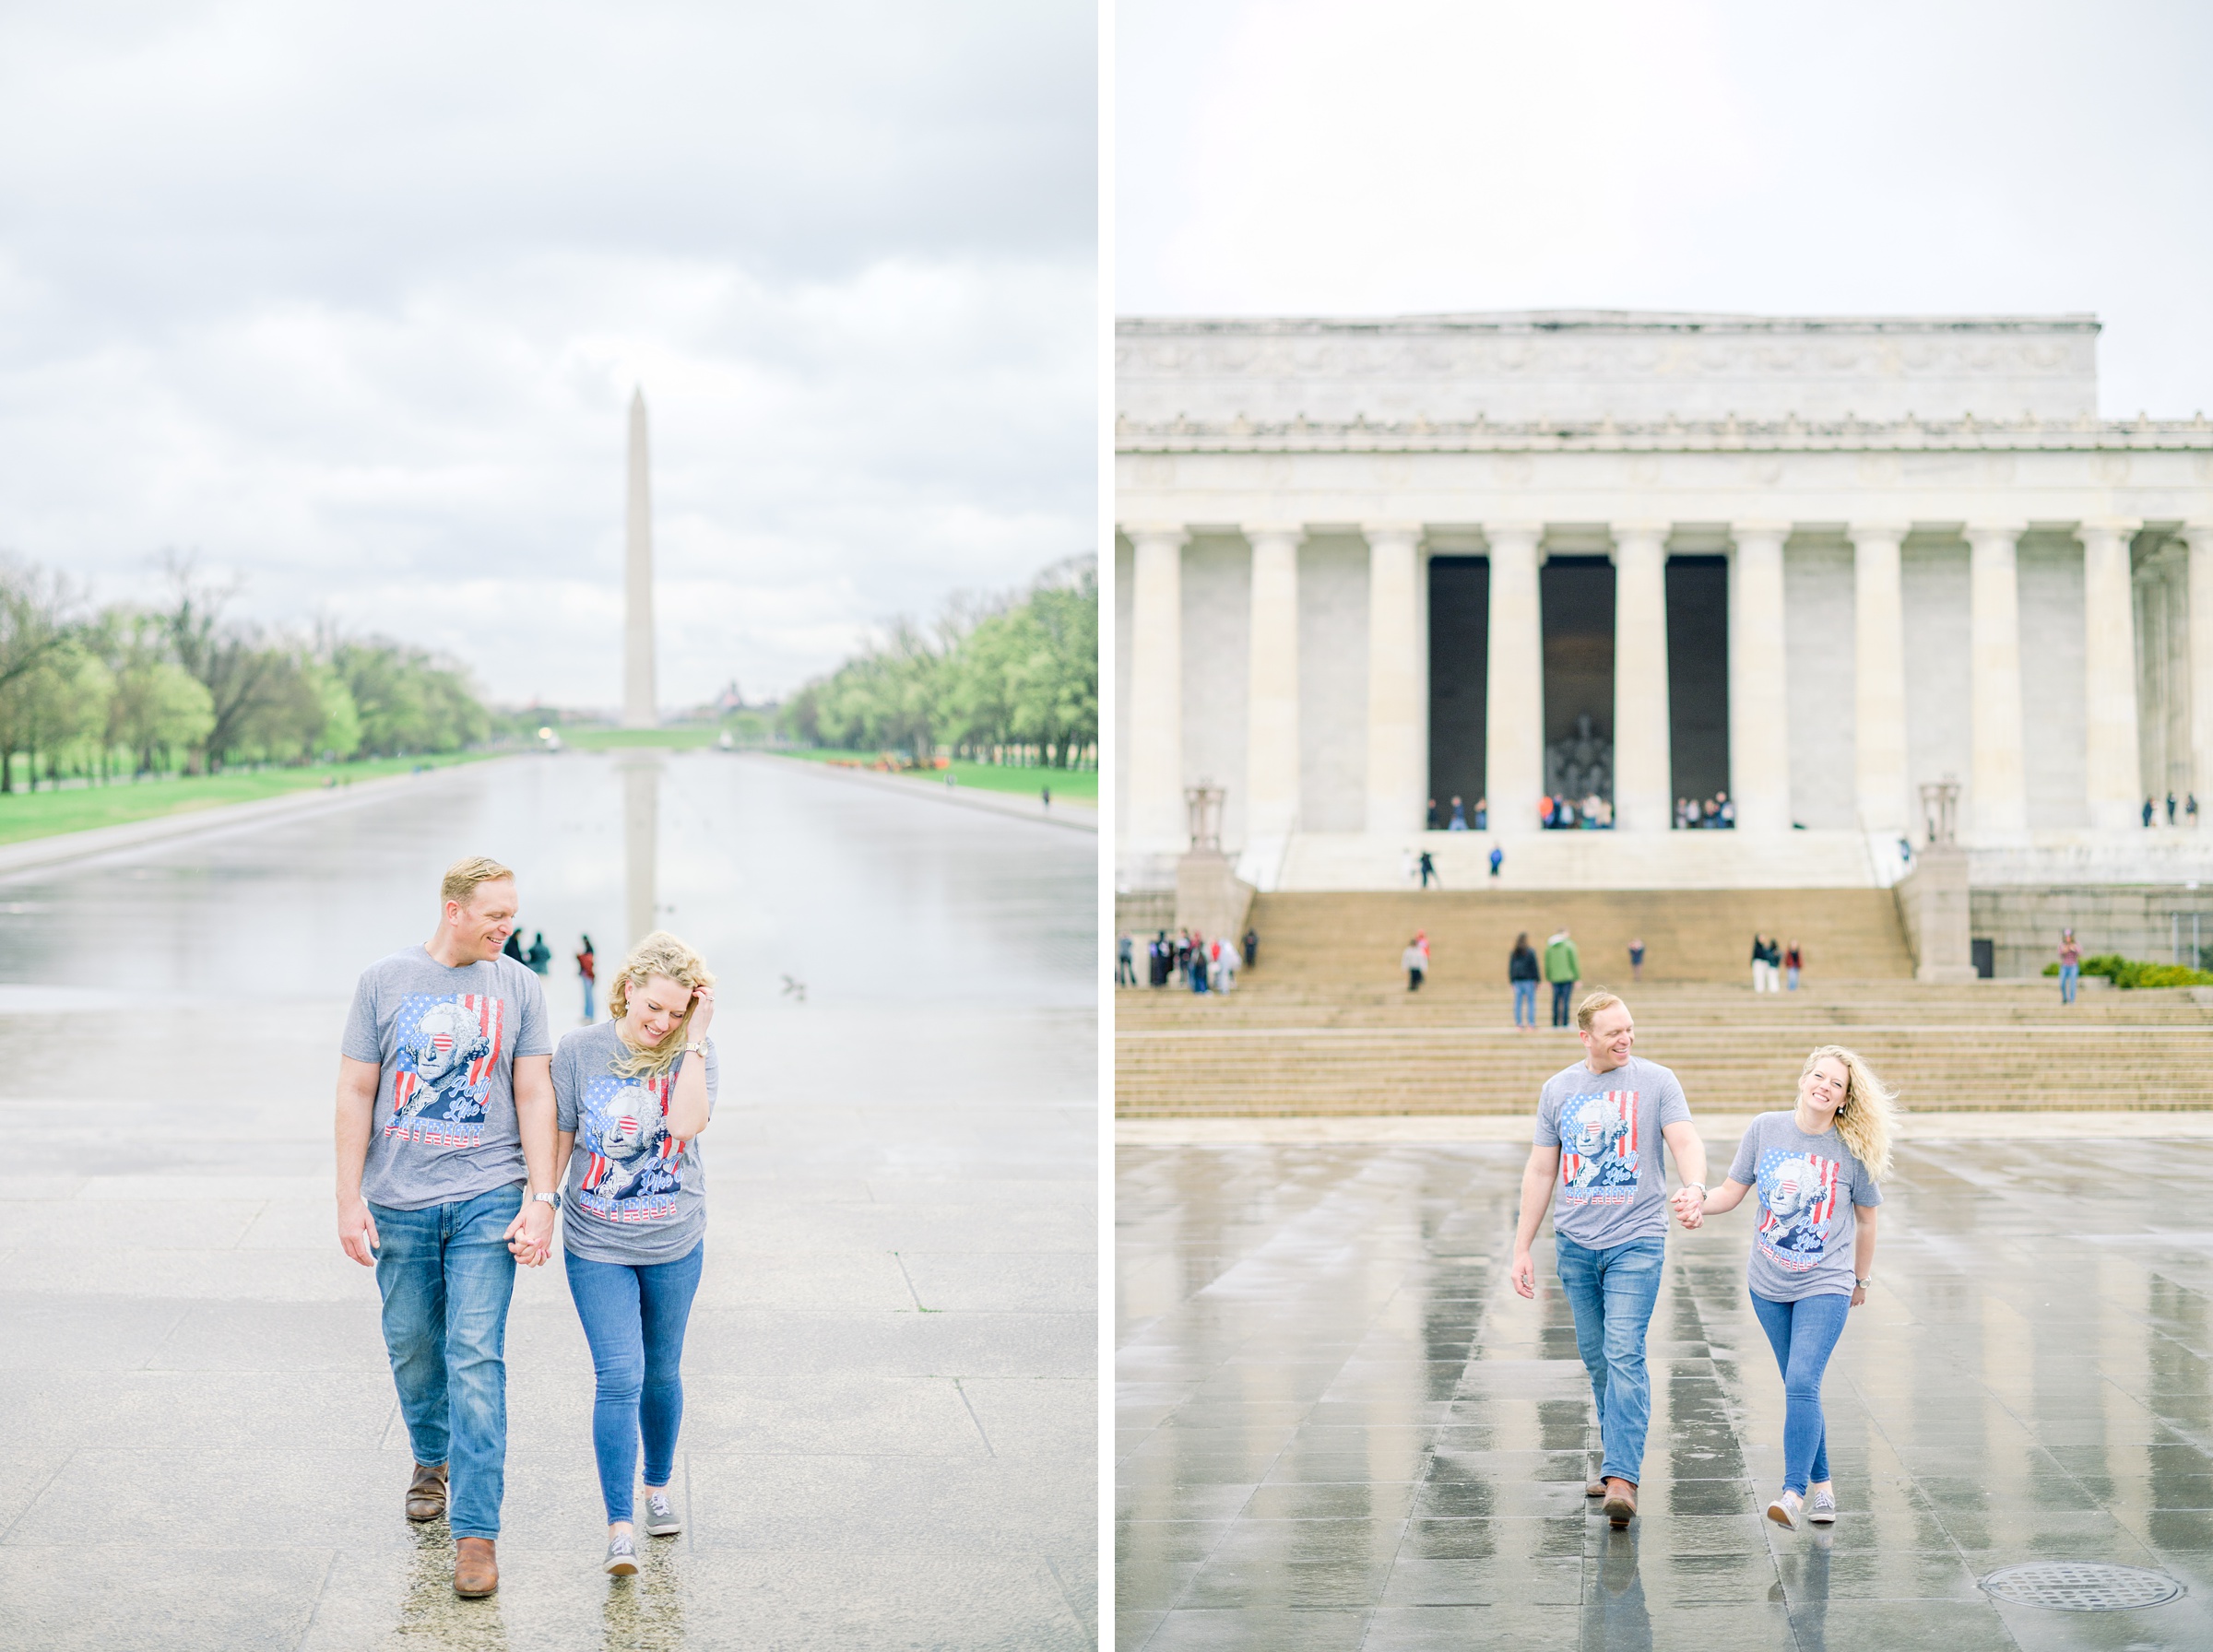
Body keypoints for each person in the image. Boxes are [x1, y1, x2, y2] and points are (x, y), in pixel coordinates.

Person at [336, 856, 557, 1599]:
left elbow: (533, 1093)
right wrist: (347, 1197)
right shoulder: (383, 981)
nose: (508, 928)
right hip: (397, 1197)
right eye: (496, 915)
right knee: (412, 1347)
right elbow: (355, 1090)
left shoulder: (520, 985)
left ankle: (476, 1535)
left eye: (513, 915)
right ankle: (432, 1455)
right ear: (453, 909)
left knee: (474, 1355)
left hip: (487, 1197)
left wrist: (541, 1198)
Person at [553, 931, 719, 1577]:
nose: (662, 1023)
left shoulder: (694, 1054)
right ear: (626, 989)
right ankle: (619, 1526)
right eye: (654, 1007)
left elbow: (683, 1127)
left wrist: (696, 1039)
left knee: (662, 1370)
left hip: (675, 1239)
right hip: (597, 1241)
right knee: (619, 1375)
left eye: (677, 1012)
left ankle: (657, 1489)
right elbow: (562, 1135)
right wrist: (539, 1204)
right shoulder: (579, 1050)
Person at [1672, 1045, 1891, 1530]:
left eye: (1836, 1084)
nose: (1824, 1087)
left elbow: (1868, 1221)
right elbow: (1731, 1192)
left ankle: (1793, 1494)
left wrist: (1860, 1278)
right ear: (1803, 1079)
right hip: (1767, 1284)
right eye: (1819, 1076)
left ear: (1844, 1100)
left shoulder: (1852, 1151)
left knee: (1800, 1382)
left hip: (1826, 1281)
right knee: (1801, 1388)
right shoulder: (1765, 1129)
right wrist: (1696, 1201)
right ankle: (1826, 1489)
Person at [1512, 993, 1707, 1528]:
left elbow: (1685, 1139)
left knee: (1624, 1351)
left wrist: (1696, 1186)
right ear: (1585, 1037)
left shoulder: (1657, 1082)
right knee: (1598, 1358)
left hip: (1636, 1241)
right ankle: (1615, 1453)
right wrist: (1521, 1246)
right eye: (1613, 1032)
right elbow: (1540, 1171)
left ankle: (1622, 1476)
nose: (1625, 1039)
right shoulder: (1558, 1090)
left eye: (1630, 1029)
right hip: (1575, 1246)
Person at [1544, 927, 1580, 1027]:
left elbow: (1547, 964)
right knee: (1566, 1001)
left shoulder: (1550, 947)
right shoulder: (1569, 945)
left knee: (1555, 1001)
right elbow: (1574, 962)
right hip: (1567, 977)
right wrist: (1577, 977)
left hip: (1554, 978)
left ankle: (1555, 1023)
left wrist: (1548, 977)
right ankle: (1565, 1023)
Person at [1509, 932, 1540, 1029]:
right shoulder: (1530, 951)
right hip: (1529, 980)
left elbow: (1511, 967)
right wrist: (1537, 979)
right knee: (1530, 1002)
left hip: (1517, 981)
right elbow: (1534, 966)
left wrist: (1512, 980)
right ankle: (1531, 1024)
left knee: (1518, 1003)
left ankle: (1519, 1024)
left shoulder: (1514, 952)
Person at [577, 934, 598, 1022]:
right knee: (587, 997)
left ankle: (590, 1016)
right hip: (587, 975)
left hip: (587, 975)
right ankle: (587, 1015)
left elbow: (587, 962)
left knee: (589, 997)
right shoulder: (588, 949)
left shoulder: (589, 949)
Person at [2058, 928, 2081, 1005]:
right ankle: (2065, 998)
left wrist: (2073, 948)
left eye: (2069, 936)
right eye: (2066, 936)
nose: (2068, 938)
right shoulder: (2062, 944)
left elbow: (2080, 952)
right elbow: (2060, 953)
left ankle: (2072, 1000)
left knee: (2072, 983)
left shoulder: (2076, 944)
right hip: (2064, 966)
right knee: (2062, 983)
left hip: (2073, 966)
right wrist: (2066, 949)